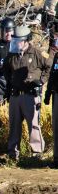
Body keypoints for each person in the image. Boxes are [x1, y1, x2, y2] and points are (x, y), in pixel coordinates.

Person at [3, 25, 50, 160]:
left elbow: (49, 66)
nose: (16, 43)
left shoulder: (37, 53)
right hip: (15, 95)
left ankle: (37, 154)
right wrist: (10, 83)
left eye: (19, 40)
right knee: (14, 125)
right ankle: (13, 154)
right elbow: (6, 70)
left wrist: (41, 81)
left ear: (26, 40)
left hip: (31, 96)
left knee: (34, 125)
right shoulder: (12, 54)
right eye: (15, 40)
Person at [44, 21, 58, 168]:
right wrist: (47, 94)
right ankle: (56, 158)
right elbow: (52, 75)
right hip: (56, 94)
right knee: (56, 127)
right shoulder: (56, 57)